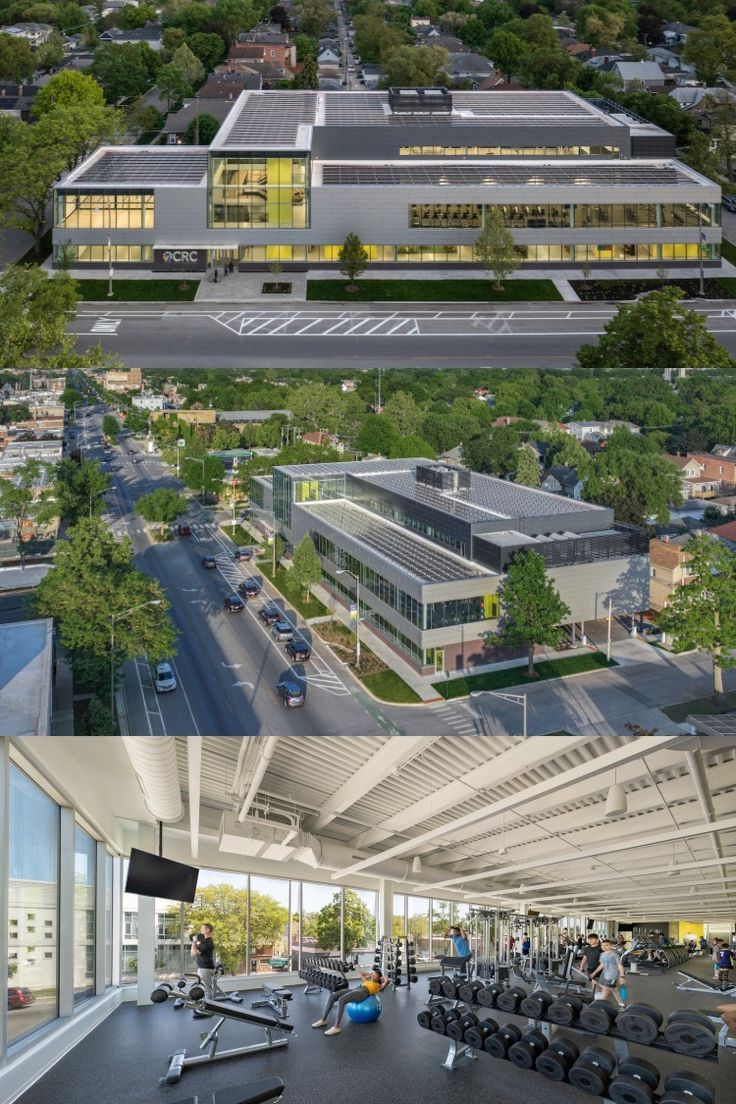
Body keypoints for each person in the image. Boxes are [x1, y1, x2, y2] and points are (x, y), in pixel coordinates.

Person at [312, 969, 389, 1036]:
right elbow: (360, 973)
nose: (373, 975)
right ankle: (323, 1020)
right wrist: (371, 974)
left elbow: (387, 982)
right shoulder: (367, 980)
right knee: (333, 996)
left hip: (363, 993)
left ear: (379, 977)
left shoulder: (378, 985)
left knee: (342, 1000)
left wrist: (383, 978)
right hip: (356, 989)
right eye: (373, 974)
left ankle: (337, 1027)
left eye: (375, 975)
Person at [590, 938, 627, 1009]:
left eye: (606, 945)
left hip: (612, 977)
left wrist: (622, 977)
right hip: (605, 976)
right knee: (614, 990)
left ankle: (600, 1008)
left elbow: (620, 965)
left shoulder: (614, 955)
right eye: (602, 945)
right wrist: (594, 972)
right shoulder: (602, 954)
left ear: (610, 946)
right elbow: (602, 965)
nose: (604, 947)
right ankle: (622, 1005)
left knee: (605, 992)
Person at [190, 923, 216, 998]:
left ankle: (211, 1007)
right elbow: (193, 954)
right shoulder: (204, 942)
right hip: (202, 967)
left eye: (202, 929)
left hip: (206, 968)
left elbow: (194, 953)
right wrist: (195, 944)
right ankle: (204, 1004)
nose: (200, 930)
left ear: (207, 930)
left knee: (208, 990)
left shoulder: (207, 942)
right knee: (200, 987)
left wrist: (194, 942)